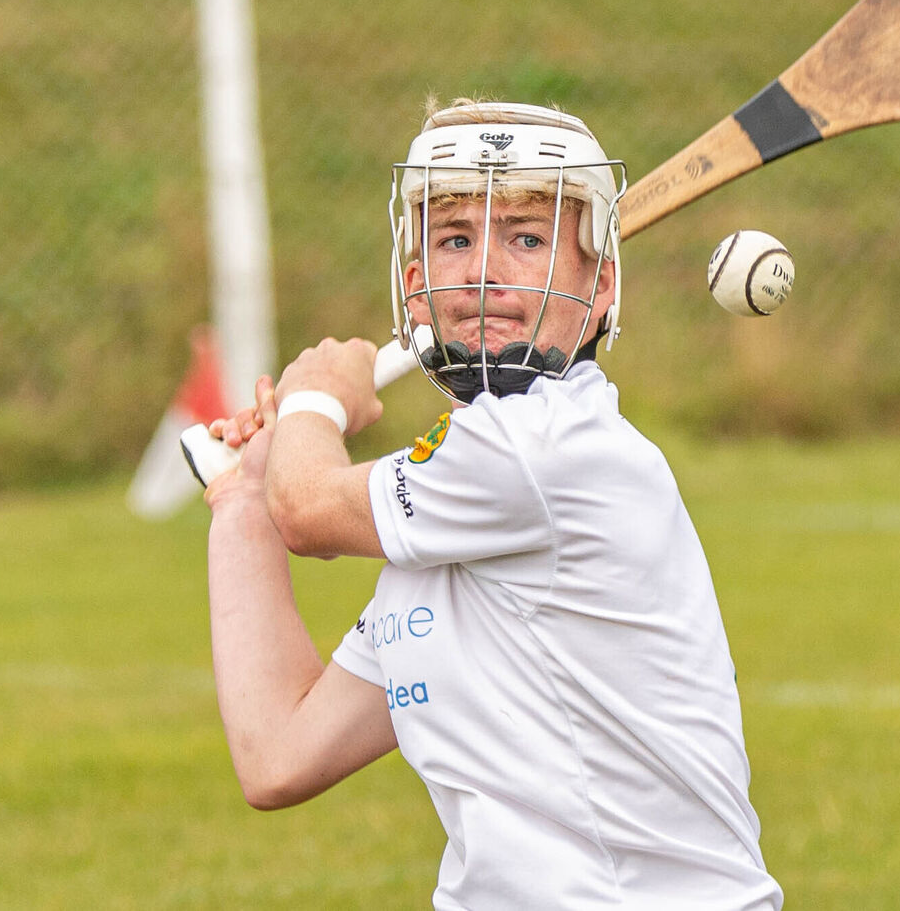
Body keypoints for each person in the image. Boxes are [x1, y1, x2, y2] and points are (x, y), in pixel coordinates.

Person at [204, 100, 783, 909]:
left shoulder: (550, 445)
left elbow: (308, 510)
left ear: (601, 284)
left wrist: (312, 400)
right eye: (454, 240)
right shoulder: (441, 511)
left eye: (527, 238)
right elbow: (279, 754)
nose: (483, 271)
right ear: (415, 288)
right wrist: (241, 498)